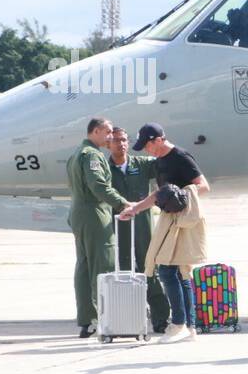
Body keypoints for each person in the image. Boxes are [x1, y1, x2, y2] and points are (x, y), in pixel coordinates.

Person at [122, 123, 210, 340]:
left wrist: (181, 195)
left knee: (167, 271)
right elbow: (159, 194)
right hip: (169, 219)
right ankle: (190, 326)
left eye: (148, 145)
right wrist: (135, 208)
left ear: (159, 140)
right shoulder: (160, 161)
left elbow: (203, 186)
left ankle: (179, 323)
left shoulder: (181, 157)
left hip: (182, 221)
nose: (146, 150)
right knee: (179, 272)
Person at [65, 118, 130, 337]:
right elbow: (98, 185)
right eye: (108, 132)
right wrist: (122, 204)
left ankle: (87, 320)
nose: (111, 136)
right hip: (94, 214)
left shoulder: (78, 153)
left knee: (84, 266)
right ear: (95, 131)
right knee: (103, 266)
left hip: (80, 213)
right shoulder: (92, 155)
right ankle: (105, 318)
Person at [108, 126, 170, 333]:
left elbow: (164, 164)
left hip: (142, 225)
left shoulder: (140, 164)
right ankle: (127, 317)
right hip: (119, 224)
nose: (122, 144)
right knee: (123, 269)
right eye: (116, 140)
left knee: (149, 268)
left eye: (124, 139)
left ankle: (161, 317)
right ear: (108, 144)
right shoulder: (105, 168)